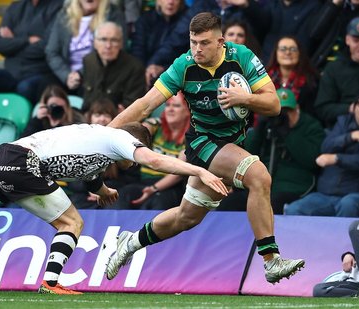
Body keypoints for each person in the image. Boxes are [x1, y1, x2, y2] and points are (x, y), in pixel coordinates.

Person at [105, 12, 305, 285]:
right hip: (203, 142)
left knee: (186, 218)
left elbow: (274, 105)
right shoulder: (182, 66)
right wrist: (104, 135)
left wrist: (243, 98)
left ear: (221, 41)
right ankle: (271, 261)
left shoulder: (242, 57)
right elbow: (145, 104)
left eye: (204, 43)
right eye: (193, 42)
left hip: (233, 143)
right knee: (259, 176)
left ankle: (131, 241)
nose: (197, 49)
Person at [0, 123, 228, 294]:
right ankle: (51, 283)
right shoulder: (121, 139)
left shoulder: (95, 137)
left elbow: (89, 172)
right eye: (135, 152)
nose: (132, 160)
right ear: (137, 143)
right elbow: (155, 161)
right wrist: (198, 171)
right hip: (21, 164)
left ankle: (50, 282)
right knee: (71, 223)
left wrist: (103, 190)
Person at [285, 85, 359, 217]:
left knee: (348, 206)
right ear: (354, 108)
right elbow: (326, 147)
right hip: (324, 194)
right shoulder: (343, 123)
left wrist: (337, 159)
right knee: (293, 210)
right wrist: (352, 136)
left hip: (357, 194)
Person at [218, 88, 325, 214]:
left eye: (287, 111)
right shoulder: (269, 125)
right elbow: (246, 156)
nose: (283, 116)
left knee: (270, 205)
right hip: (262, 185)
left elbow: (311, 160)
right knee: (229, 203)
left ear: (297, 109)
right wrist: (259, 129)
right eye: (279, 112)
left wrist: (288, 135)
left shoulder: (311, 126)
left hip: (294, 186)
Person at [0, 0, 63, 105]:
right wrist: (27, 40)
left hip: (39, 72)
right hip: (12, 72)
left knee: (25, 88)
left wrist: (13, 40)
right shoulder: (15, 7)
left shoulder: (58, 7)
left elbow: (46, 48)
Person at [111, 93, 190, 210]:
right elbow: (136, 133)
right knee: (123, 194)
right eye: (168, 105)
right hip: (143, 182)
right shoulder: (156, 125)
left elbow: (178, 174)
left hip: (169, 187)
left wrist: (154, 188)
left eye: (176, 106)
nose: (170, 109)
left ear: (187, 111)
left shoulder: (190, 136)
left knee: (158, 201)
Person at [45, 0, 126, 93]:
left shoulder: (113, 14)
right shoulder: (64, 14)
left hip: (97, 75)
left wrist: (79, 74)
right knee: (40, 87)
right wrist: (66, 75)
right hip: (66, 75)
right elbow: (51, 52)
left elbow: (114, 50)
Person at [225, 0, 321, 63]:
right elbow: (261, 22)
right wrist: (247, 5)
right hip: (268, 65)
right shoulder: (272, 4)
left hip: (298, 65)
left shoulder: (313, 5)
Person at [81, 21, 145, 113]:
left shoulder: (134, 67)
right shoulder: (88, 61)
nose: (108, 46)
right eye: (103, 39)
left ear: (121, 43)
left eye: (114, 40)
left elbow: (133, 107)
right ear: (94, 42)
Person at [130, 0, 187, 88]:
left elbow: (188, 59)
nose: (171, 2)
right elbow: (138, 50)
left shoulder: (187, 23)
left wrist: (163, 69)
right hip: (144, 75)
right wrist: (145, 71)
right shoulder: (145, 20)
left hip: (175, 78)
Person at [266, 35, 320, 120]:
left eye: (293, 49)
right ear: (276, 53)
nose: (287, 52)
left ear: (299, 53)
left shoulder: (311, 81)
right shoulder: (263, 80)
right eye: (283, 49)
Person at [21, 85, 85, 137]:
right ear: (45, 106)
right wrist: (36, 121)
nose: (57, 110)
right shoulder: (40, 121)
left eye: (61, 107)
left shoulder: (77, 117)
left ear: (67, 105)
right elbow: (23, 142)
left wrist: (60, 125)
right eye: (53, 106)